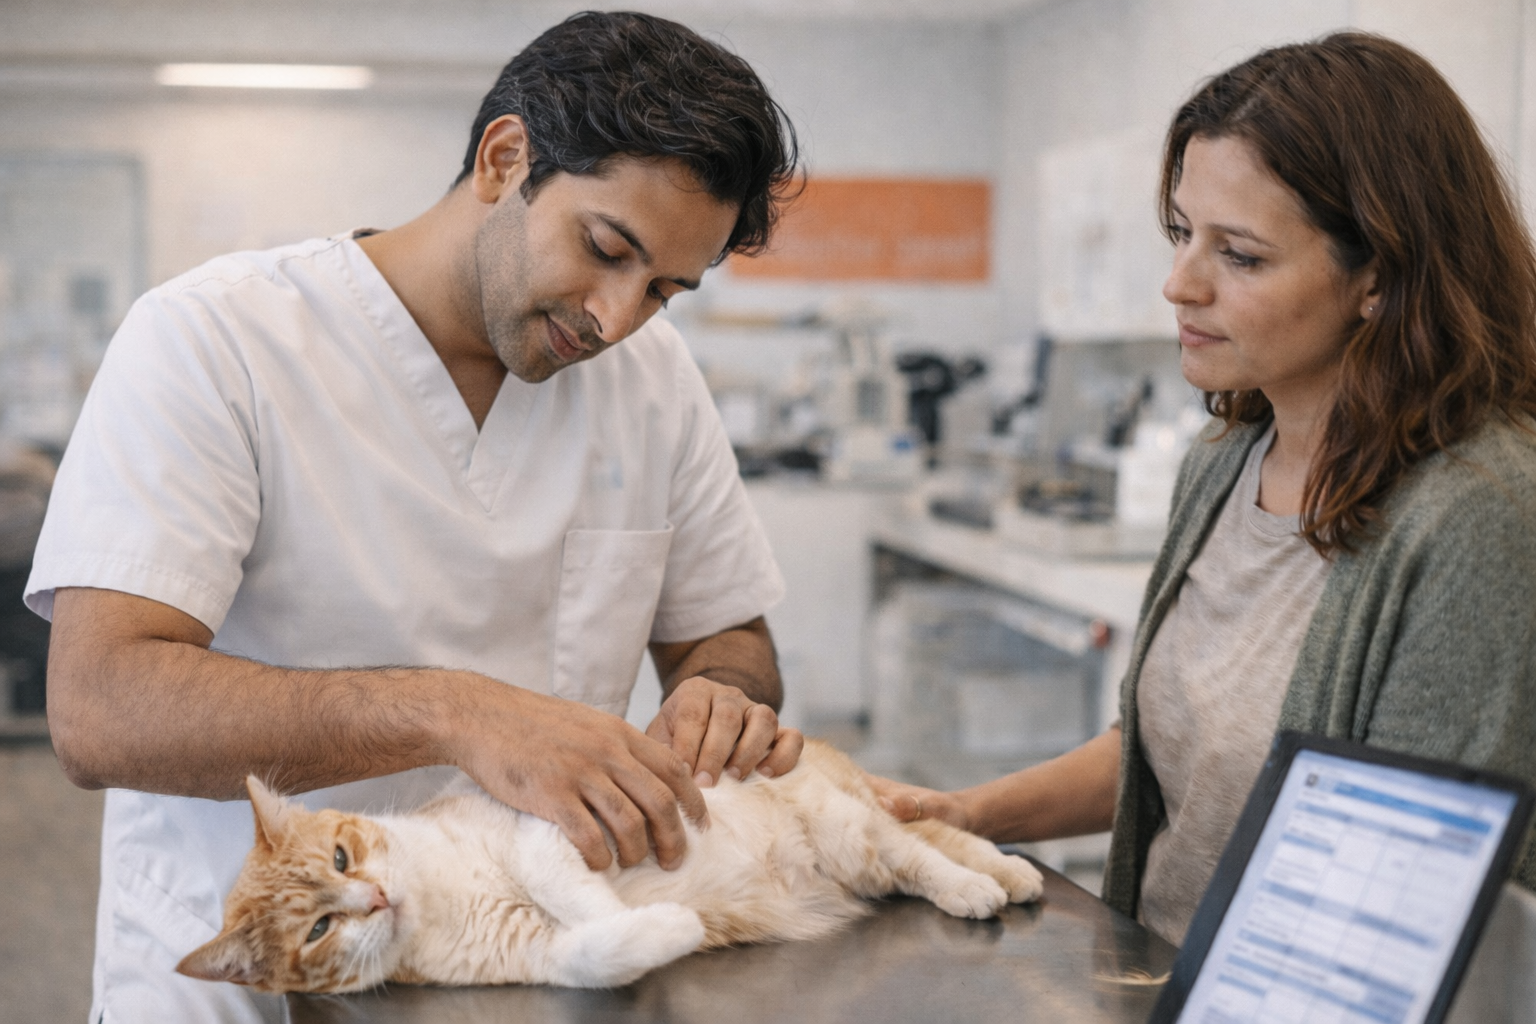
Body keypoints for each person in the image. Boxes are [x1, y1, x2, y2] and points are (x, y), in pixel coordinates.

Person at [28, 12, 804, 1021]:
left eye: (663, 288)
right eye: (605, 247)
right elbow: (99, 707)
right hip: (262, 985)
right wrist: (458, 711)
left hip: (527, 969)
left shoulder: (650, 379)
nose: (616, 317)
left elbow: (728, 634)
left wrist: (722, 694)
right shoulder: (217, 341)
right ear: (505, 157)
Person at [871, 31, 1536, 946]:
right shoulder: (1225, 462)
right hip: (1159, 980)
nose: (1179, 284)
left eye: (1243, 256)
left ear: (1378, 277)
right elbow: (1164, 751)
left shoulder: (1479, 518)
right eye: (1183, 233)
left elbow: (1414, 897)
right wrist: (960, 814)